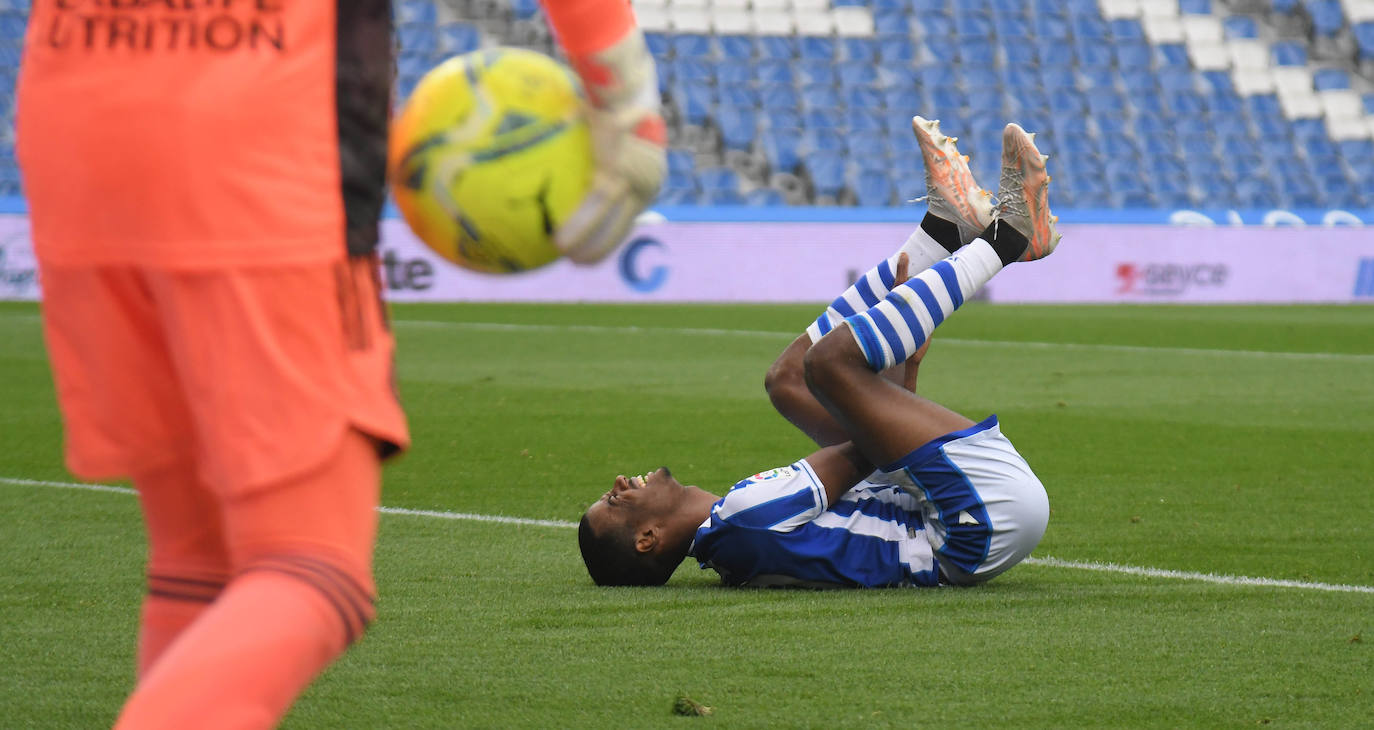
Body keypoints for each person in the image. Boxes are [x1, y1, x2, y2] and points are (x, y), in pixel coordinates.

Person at [16, 1, 662, 727]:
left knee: (200, 562)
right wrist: (630, 98)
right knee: (313, 570)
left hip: (76, 124)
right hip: (251, 132)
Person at [578, 117, 1058, 588]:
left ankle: (941, 232)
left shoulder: (734, 535)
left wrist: (894, 373)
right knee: (827, 366)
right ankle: (1011, 236)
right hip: (975, 519)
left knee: (785, 381)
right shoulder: (742, 522)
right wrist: (886, 358)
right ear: (648, 539)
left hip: (973, 518)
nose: (619, 482)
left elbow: (874, 459)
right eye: (613, 502)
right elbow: (865, 452)